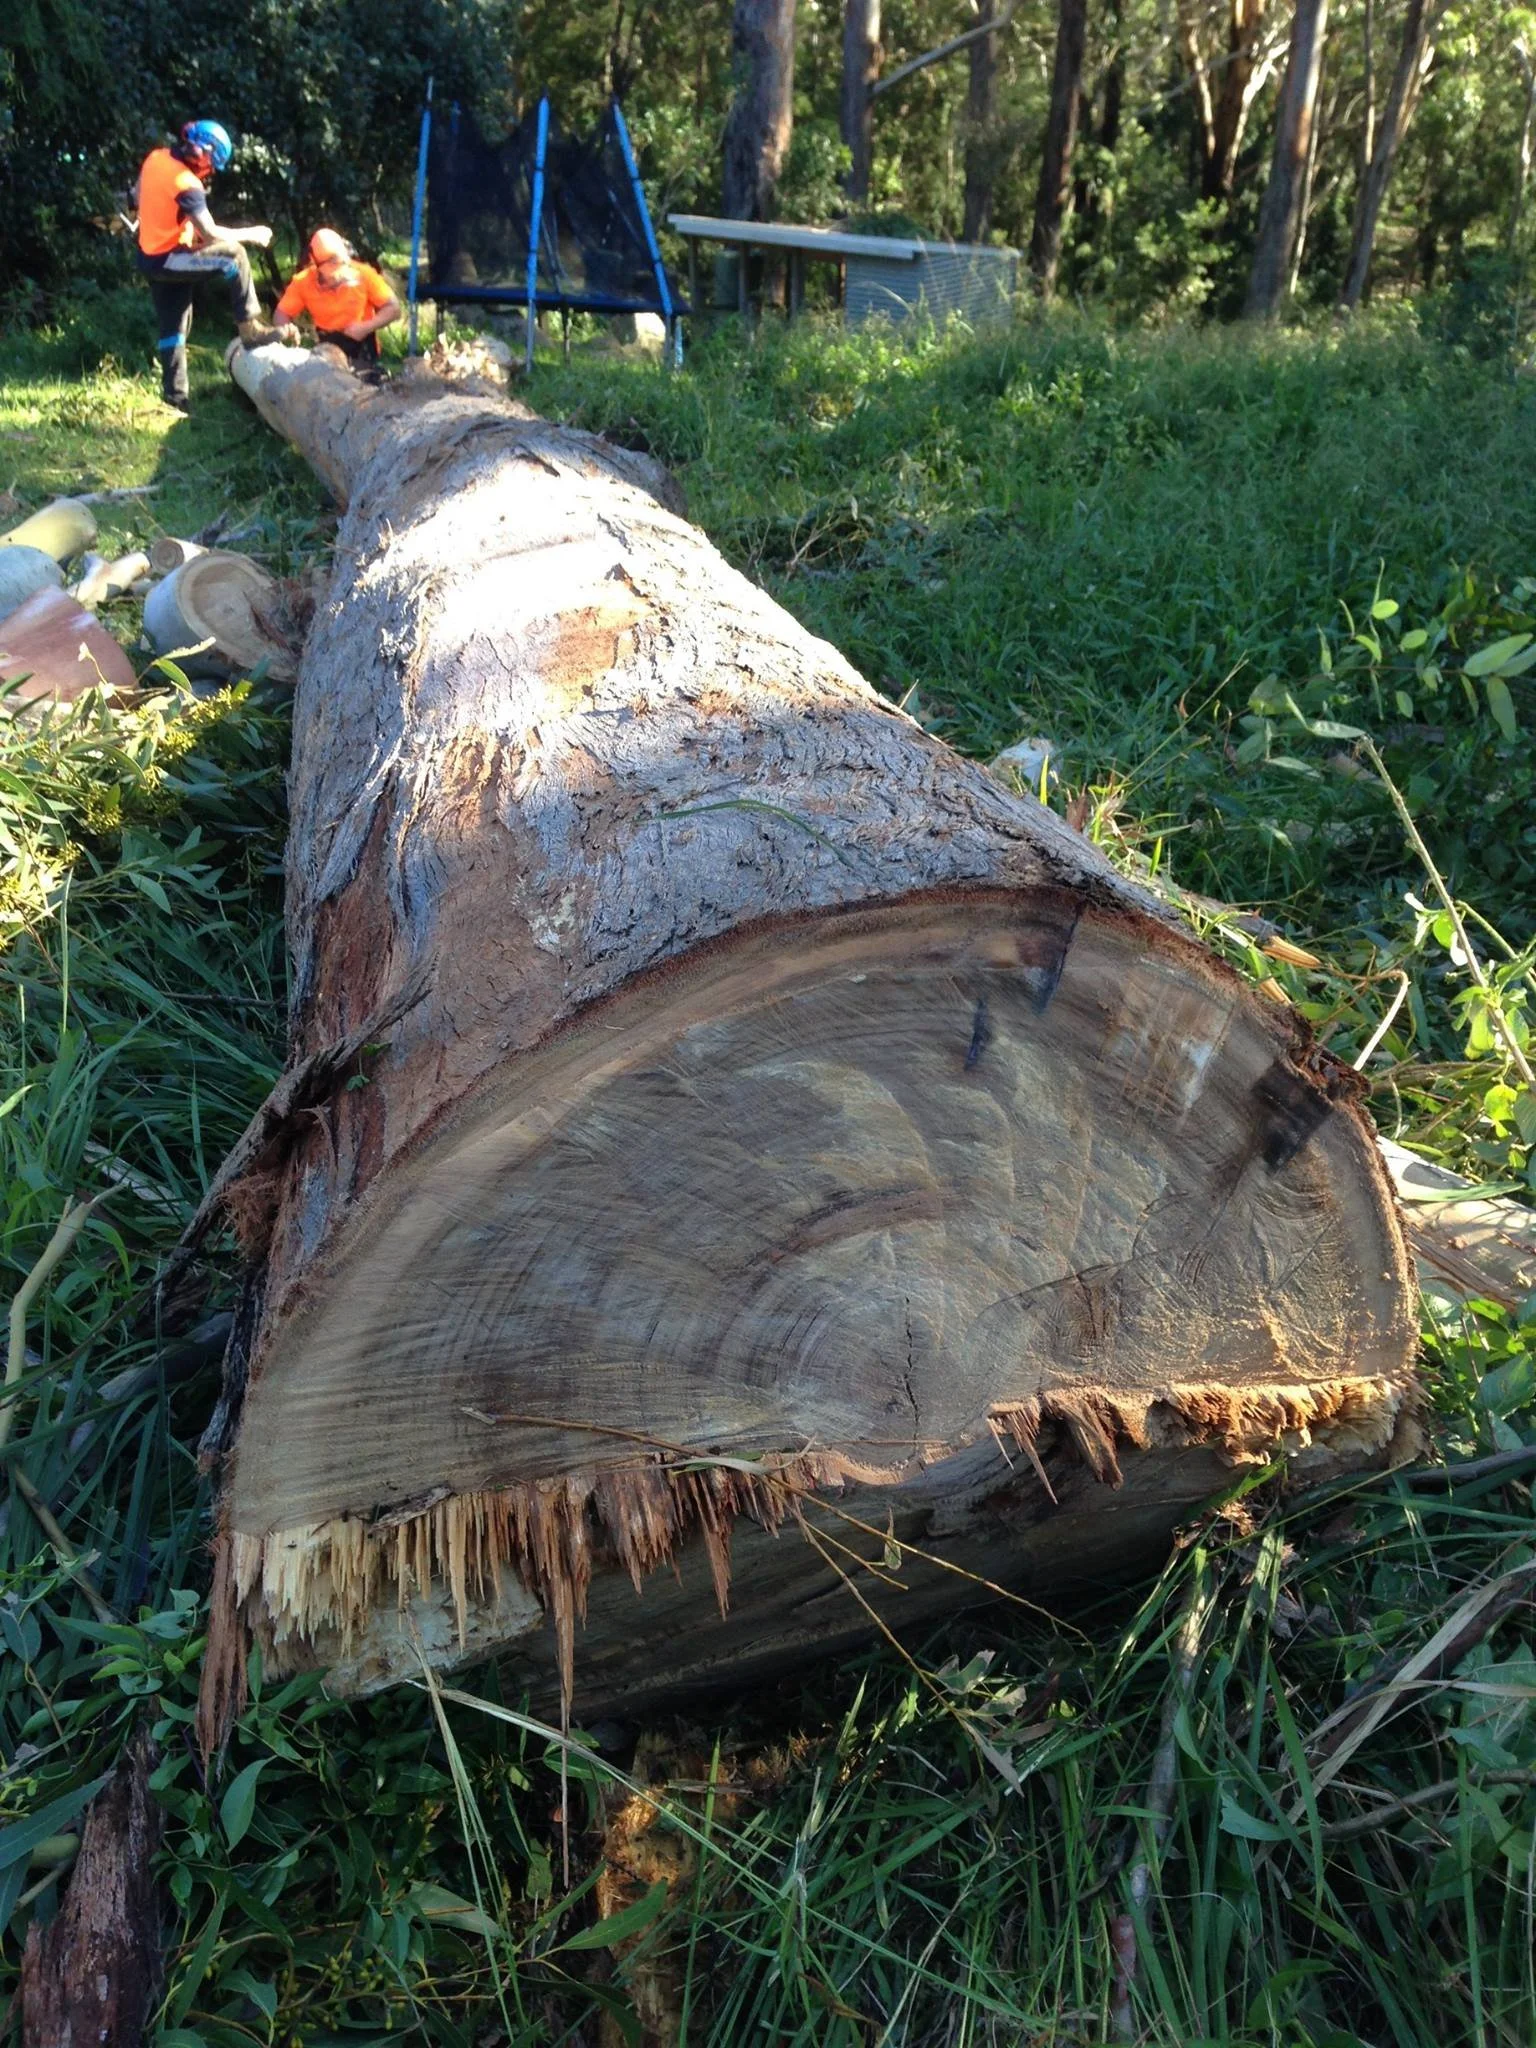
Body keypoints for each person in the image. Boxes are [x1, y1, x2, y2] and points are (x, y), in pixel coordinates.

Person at [136, 120, 276, 414]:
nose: (210, 169)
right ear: (201, 151)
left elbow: (135, 197)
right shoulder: (186, 183)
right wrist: (253, 234)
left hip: (150, 257)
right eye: (211, 162)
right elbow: (211, 233)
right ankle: (249, 327)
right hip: (170, 258)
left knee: (174, 327)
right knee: (234, 255)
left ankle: (175, 399)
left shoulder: (156, 158)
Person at [272, 230, 400, 368]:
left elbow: (394, 308)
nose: (339, 272)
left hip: (363, 348)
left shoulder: (364, 274)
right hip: (328, 351)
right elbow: (282, 313)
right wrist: (286, 332)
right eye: (333, 267)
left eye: (341, 264)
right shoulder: (303, 282)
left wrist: (366, 327)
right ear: (316, 263)